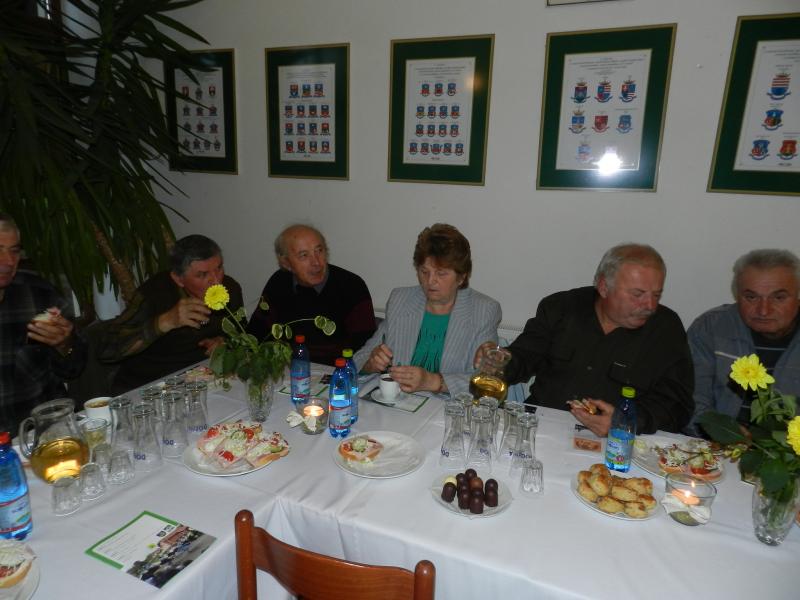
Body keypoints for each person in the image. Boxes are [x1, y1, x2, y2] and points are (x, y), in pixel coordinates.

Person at [476, 243, 693, 436]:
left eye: (656, 295)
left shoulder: (666, 329)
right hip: (542, 428)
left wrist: (626, 420)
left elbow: (678, 406)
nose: (650, 306)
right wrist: (499, 362)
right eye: (638, 294)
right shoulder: (561, 308)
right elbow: (524, 357)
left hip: (619, 441)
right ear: (604, 287)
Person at [355, 223, 501, 397]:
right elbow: (359, 359)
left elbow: (488, 380)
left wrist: (434, 382)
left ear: (462, 277)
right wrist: (370, 365)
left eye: (441, 273)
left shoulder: (483, 310)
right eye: (424, 272)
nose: (430, 281)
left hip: (446, 408)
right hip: (398, 402)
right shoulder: (400, 300)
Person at [99, 234, 243, 393]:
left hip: (201, 380)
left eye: (219, 268)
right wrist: (165, 321)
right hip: (149, 386)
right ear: (178, 279)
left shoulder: (230, 289)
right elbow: (107, 350)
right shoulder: (154, 294)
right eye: (202, 275)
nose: (216, 281)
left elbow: (244, 334)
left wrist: (225, 342)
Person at [686, 249, 800, 435]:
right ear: (737, 296)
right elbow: (691, 399)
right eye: (751, 297)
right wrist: (720, 433)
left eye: (779, 298)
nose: (764, 310)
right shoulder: (710, 328)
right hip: (715, 446)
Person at [0, 214, 87, 432]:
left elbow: (74, 369)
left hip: (48, 432)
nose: (8, 261)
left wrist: (65, 345)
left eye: (14, 251)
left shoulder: (39, 293)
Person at [246, 224, 376, 366]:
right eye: (304, 255)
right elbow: (255, 335)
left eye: (319, 251)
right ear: (286, 263)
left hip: (335, 372)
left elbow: (366, 351)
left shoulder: (351, 286)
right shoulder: (279, 282)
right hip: (286, 370)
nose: (316, 262)